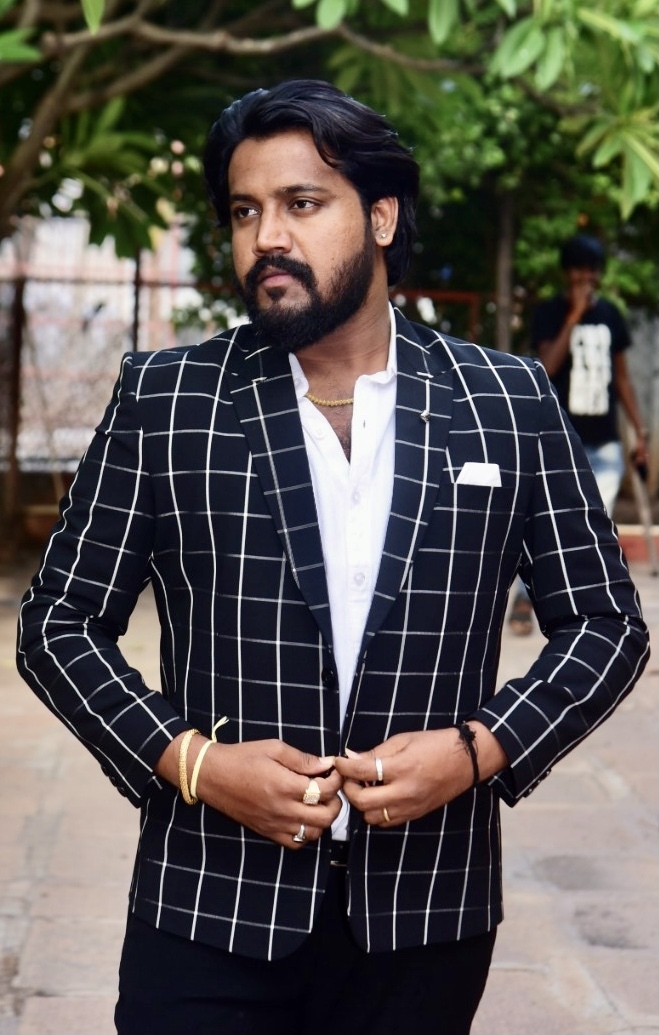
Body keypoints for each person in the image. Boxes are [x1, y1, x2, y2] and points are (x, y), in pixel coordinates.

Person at [16, 81, 649, 1035]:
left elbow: (604, 623)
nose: (265, 237)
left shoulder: (506, 400)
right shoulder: (167, 399)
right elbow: (58, 623)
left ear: (381, 216)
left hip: (425, 914)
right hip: (207, 904)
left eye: (301, 203)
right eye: (244, 211)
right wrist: (194, 763)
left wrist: (476, 750)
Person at [508, 232, 649, 636]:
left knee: (587, 525)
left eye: (591, 271)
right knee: (544, 524)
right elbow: (547, 366)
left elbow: (622, 378)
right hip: (560, 441)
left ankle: (580, 605)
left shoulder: (612, 316)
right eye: (578, 271)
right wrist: (574, 316)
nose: (585, 278)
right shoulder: (551, 312)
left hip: (605, 445)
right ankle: (525, 597)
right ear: (566, 273)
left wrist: (639, 431)